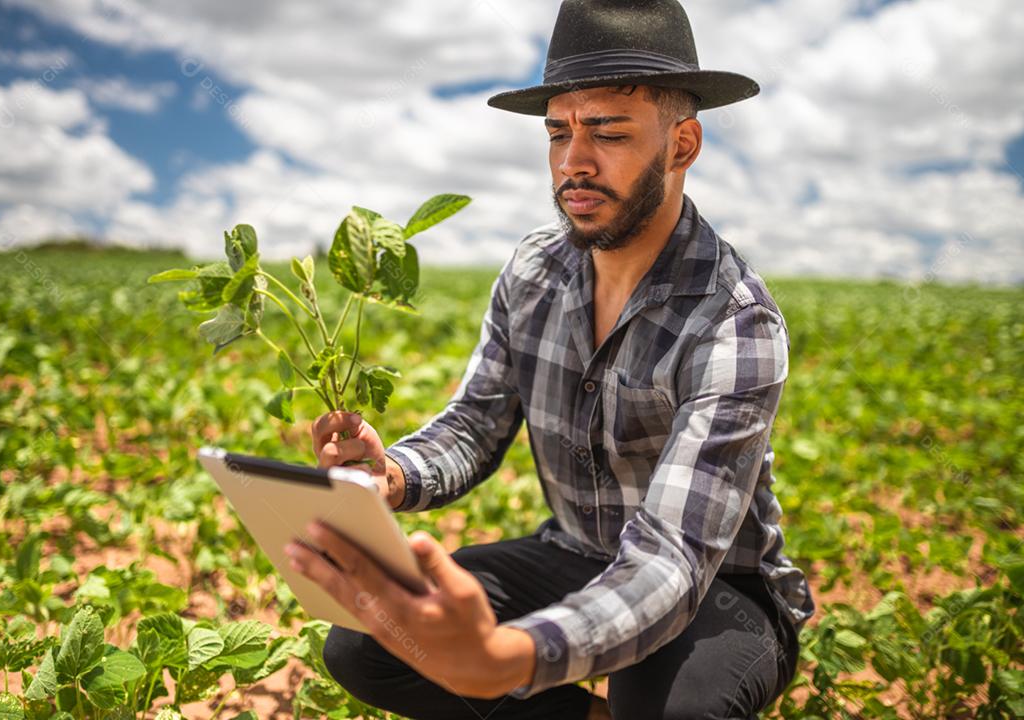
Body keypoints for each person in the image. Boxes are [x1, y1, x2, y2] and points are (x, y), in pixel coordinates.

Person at [283, 1, 815, 717]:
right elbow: (476, 421)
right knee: (369, 645)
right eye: (559, 133)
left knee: (673, 709)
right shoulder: (535, 269)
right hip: (576, 551)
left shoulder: (734, 322)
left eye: (608, 133)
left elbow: (673, 561)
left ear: (682, 144)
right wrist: (394, 474)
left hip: (717, 586)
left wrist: (511, 657)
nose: (574, 163)